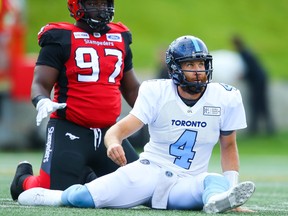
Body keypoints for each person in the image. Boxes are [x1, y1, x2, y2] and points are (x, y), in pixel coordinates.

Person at [17, 35, 255, 213]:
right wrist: (112, 143)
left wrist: (231, 190)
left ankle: (220, 200)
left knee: (213, 181)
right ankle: (53, 197)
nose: (198, 71)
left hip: (187, 181)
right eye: (189, 65)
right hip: (149, 171)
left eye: (201, 64)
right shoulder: (157, 91)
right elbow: (120, 129)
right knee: (81, 199)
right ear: (174, 68)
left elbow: (229, 146)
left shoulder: (225, 96)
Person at [10, 0, 140, 201]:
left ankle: (87, 175)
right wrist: (41, 100)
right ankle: (23, 180)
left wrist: (151, 112)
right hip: (70, 129)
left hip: (110, 133)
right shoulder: (60, 37)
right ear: (75, 6)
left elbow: (131, 88)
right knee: (52, 192)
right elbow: (40, 82)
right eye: (93, 3)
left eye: (104, 3)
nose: (101, 8)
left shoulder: (120, 37)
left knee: (139, 186)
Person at [232, 35, 275, 135]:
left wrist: (243, 77)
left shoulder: (244, 54)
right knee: (260, 104)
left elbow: (250, 69)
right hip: (260, 80)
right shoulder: (247, 52)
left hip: (257, 82)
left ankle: (256, 129)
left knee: (257, 104)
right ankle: (266, 128)